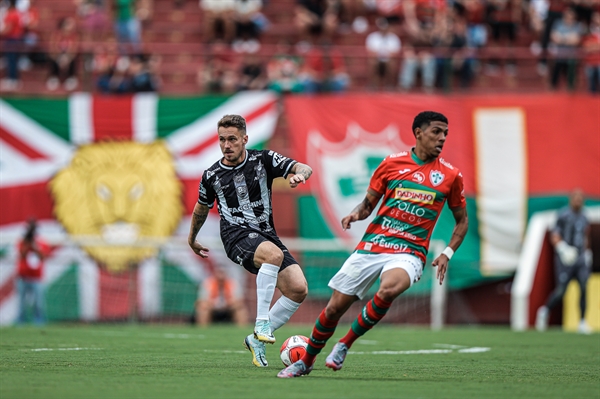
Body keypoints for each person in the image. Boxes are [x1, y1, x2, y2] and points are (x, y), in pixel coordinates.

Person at [277, 110, 469, 378]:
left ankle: (344, 344)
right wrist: (356, 213)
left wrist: (447, 252)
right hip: (373, 246)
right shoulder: (391, 164)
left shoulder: (450, 175)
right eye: (436, 132)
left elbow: (462, 221)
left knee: (389, 289)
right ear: (418, 133)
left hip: (410, 251)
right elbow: (368, 204)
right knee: (333, 308)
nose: (442, 138)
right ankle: (306, 362)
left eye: (445, 133)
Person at [188, 114, 312, 368]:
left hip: (266, 234)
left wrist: (299, 176)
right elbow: (201, 209)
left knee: (298, 288)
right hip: (235, 236)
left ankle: (256, 340)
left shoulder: (263, 160)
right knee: (273, 256)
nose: (226, 145)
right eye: (222, 140)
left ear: (245, 138)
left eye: (232, 139)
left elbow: (303, 167)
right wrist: (192, 239)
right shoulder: (211, 175)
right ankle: (262, 322)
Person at [535, 189, 593, 335]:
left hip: (580, 258)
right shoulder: (563, 215)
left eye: (581, 199)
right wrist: (562, 248)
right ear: (571, 199)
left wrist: (587, 252)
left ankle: (582, 322)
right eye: (576, 198)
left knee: (584, 287)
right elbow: (554, 234)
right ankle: (545, 311)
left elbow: (585, 235)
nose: (578, 202)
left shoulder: (584, 216)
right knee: (561, 290)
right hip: (565, 258)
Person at [16, 219, 51, 325]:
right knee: (22, 302)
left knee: (38, 302)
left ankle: (38, 320)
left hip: (36, 277)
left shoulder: (41, 242)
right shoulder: (22, 241)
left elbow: (43, 256)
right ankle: (21, 321)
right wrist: (28, 243)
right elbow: (21, 255)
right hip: (23, 276)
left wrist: (34, 245)